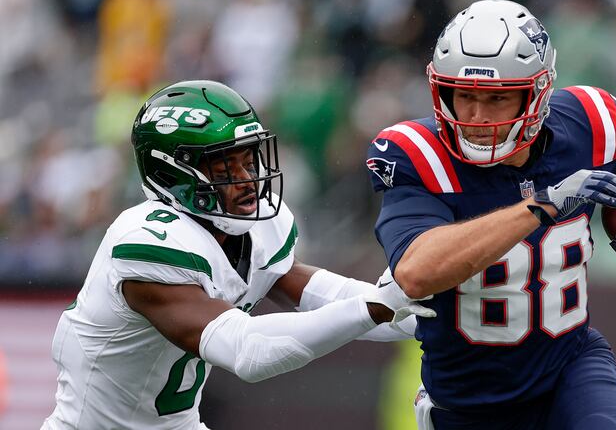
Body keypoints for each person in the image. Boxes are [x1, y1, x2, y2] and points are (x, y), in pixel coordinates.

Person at [365, 0, 616, 430]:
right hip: (469, 401)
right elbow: (416, 271)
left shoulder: (586, 127)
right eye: (464, 96)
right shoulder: (419, 157)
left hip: (571, 368)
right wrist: (542, 205)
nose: (476, 117)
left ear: (537, 92)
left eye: (496, 100)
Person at [42, 80, 435, 430]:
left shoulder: (254, 229)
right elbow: (248, 351)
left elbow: (318, 293)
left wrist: (412, 308)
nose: (248, 179)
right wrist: (376, 304)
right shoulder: (149, 242)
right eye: (225, 166)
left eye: (248, 159)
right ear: (170, 174)